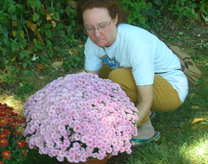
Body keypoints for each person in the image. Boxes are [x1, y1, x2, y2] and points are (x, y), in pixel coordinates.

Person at [79, 0, 188, 146]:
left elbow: (146, 99)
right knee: (100, 76)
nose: (97, 34)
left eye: (102, 25)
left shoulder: (135, 42)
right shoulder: (92, 43)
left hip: (171, 87)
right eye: (89, 28)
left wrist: (114, 132)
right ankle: (138, 111)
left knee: (117, 77)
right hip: (144, 80)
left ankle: (146, 128)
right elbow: (89, 83)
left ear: (115, 18)